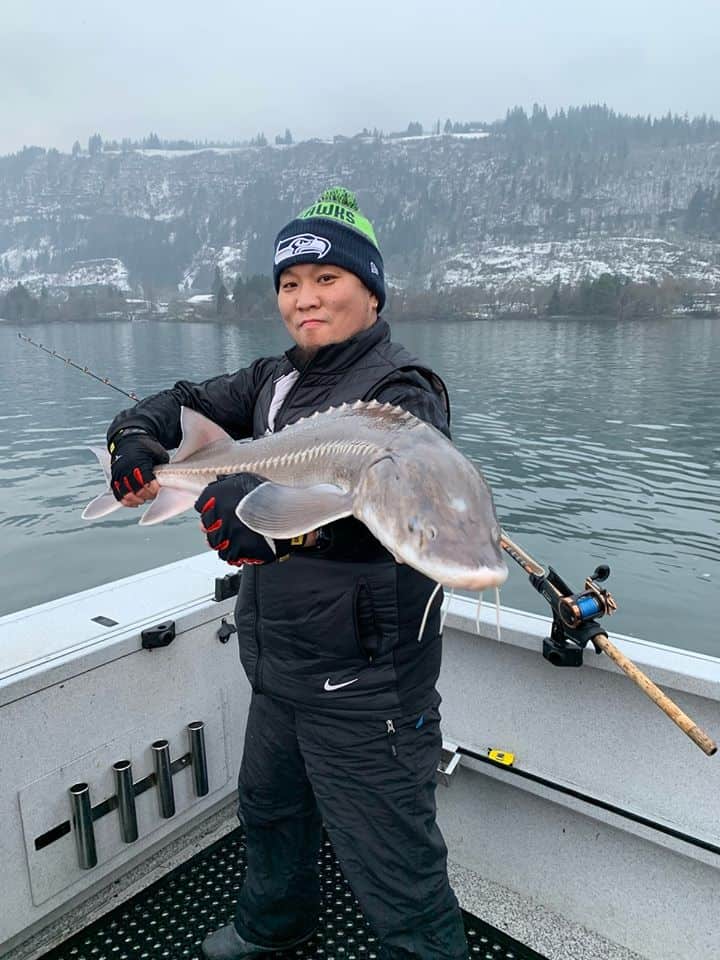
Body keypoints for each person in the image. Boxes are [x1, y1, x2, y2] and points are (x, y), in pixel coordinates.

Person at [106, 187, 469, 960]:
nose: (305, 299)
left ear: (370, 289)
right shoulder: (272, 379)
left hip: (366, 685)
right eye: (289, 284)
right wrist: (136, 439)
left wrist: (271, 528)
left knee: (397, 871)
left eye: (327, 279)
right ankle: (276, 929)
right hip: (278, 665)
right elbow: (185, 402)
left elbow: (392, 515)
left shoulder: (404, 394)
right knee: (269, 814)